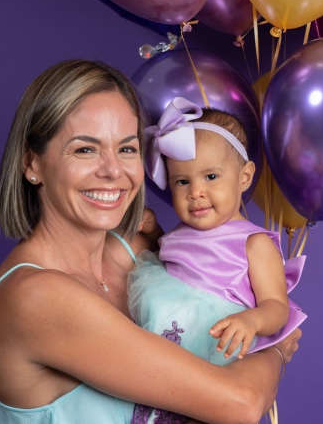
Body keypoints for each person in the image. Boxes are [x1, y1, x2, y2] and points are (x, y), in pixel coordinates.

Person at [0, 59, 300, 424]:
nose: (113, 171)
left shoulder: (141, 252)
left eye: (127, 149)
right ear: (31, 163)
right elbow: (239, 404)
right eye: (85, 149)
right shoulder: (35, 296)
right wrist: (275, 351)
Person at [128, 98, 306, 375]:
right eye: (182, 181)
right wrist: (154, 232)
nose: (195, 192)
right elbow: (172, 263)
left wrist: (252, 320)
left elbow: (277, 306)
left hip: (212, 350)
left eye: (210, 176)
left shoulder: (254, 243)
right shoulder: (182, 231)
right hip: (162, 348)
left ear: (244, 177)